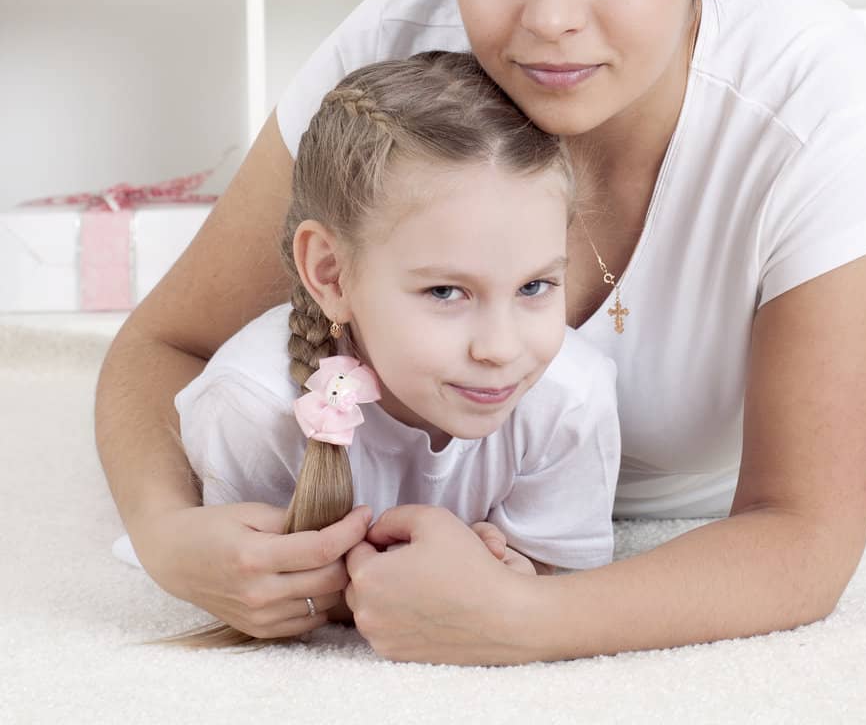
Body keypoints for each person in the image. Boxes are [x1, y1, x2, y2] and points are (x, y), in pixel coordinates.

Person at [95, 0, 866, 665]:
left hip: (678, 526)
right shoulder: (392, 57)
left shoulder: (817, 99)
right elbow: (163, 344)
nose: (551, 17)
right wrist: (166, 536)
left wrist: (525, 622)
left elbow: (804, 537)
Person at [110, 50, 621, 649]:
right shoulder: (251, 408)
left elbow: (555, 570)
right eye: (446, 291)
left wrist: (517, 579)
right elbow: (255, 586)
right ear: (330, 273)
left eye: (534, 286)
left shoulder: (571, 396)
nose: (501, 348)